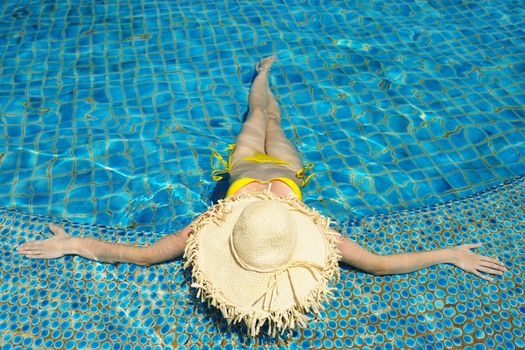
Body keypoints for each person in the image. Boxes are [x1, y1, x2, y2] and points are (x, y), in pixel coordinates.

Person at [17, 56, 507, 337]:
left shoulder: (209, 227)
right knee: (268, 115)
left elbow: (142, 256)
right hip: (283, 169)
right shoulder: (318, 233)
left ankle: (263, 78)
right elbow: (379, 263)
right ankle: (263, 76)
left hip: (246, 164)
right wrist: (448, 254)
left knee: (264, 118)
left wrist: (79, 241)